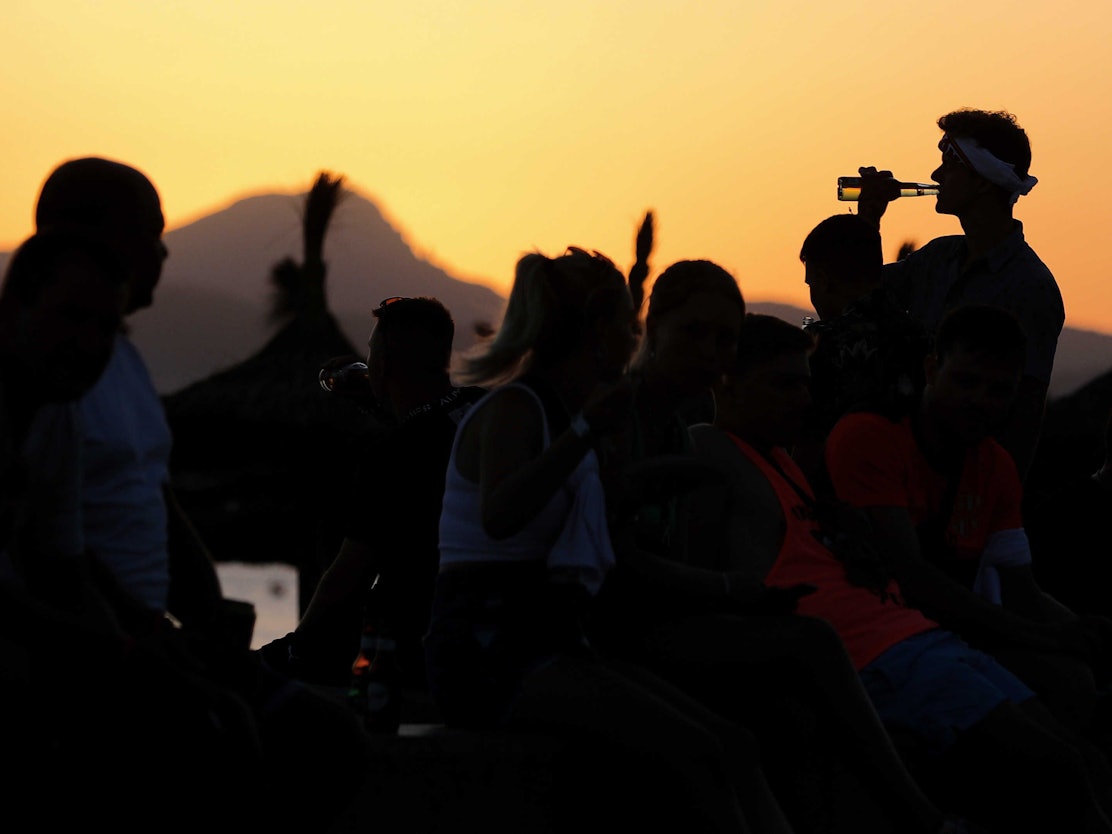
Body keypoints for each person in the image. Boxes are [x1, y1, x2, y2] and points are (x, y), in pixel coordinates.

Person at [30, 157, 371, 832]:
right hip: (89, 648)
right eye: (150, 233)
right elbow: (52, 547)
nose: (163, 251)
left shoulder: (117, 357)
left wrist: (208, 613)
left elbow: (154, 501)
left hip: (154, 636)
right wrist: (145, 635)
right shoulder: (47, 376)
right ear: (88, 236)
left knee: (331, 737)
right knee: (231, 743)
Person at [424, 246, 793, 834]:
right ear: (596, 331)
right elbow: (502, 514)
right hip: (489, 652)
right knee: (695, 751)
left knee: (733, 742)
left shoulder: (576, 413)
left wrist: (656, 481)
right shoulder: (518, 408)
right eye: (627, 326)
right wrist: (585, 433)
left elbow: (595, 510)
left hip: (552, 639)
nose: (633, 341)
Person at [589, 260, 967, 834]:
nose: (709, 351)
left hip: (658, 622)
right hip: (611, 632)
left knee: (785, 715)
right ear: (653, 325)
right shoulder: (630, 419)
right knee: (804, 653)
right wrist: (730, 591)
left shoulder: (673, 428)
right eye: (693, 332)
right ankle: (922, 818)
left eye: (724, 338)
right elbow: (617, 561)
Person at [697, 311, 1112, 832]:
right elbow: (894, 575)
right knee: (1061, 770)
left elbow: (1018, 587)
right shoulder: (725, 451)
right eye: (785, 385)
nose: (803, 401)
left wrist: (1070, 633)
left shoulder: (785, 464)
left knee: (1086, 761)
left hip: (919, 639)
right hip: (885, 653)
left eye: (805, 386)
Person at [0, 228, 267, 832]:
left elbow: (65, 568)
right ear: (15, 303)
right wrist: (123, 653)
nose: (90, 345)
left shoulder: (55, 412)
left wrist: (159, 644)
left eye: (107, 329)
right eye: (72, 317)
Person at [824, 304, 1112, 744]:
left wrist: (1081, 633)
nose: (980, 400)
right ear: (931, 368)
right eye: (966, 381)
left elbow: (1021, 588)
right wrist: (1044, 636)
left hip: (953, 639)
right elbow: (911, 576)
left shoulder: (994, 466)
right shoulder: (870, 435)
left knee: (1073, 684)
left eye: (998, 389)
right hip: (875, 642)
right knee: (1044, 740)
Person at [260, 295, 486, 716]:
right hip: (481, 626)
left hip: (408, 641)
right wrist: (381, 400)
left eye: (370, 353)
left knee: (263, 672)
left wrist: (297, 646)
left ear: (383, 364)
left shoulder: (391, 456)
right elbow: (434, 425)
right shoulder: (482, 410)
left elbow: (346, 577)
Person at [855, 108, 1061, 482]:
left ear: (982, 182)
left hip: (965, 487)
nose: (935, 176)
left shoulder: (1031, 287)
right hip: (905, 471)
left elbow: (1025, 414)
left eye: (948, 166)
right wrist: (868, 219)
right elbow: (859, 297)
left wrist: (991, 510)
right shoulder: (937, 257)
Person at [794, 213, 930, 493]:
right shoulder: (922, 339)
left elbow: (806, 444)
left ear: (823, 279)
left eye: (811, 285)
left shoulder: (826, 345)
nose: (813, 296)